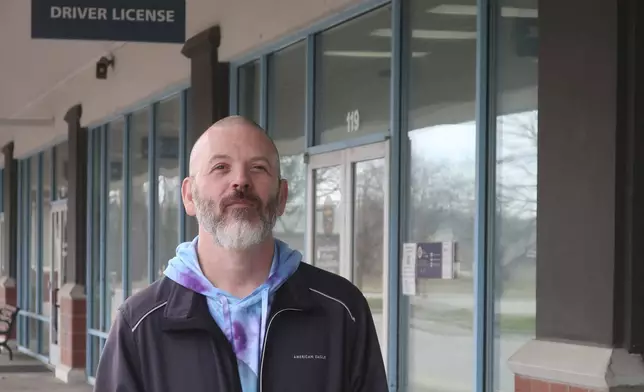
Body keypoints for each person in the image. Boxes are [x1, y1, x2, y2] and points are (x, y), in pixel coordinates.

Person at [94, 116, 388, 392]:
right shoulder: (139, 324)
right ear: (188, 196)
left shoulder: (341, 311)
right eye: (220, 167)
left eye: (258, 168)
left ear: (282, 196)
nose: (241, 181)